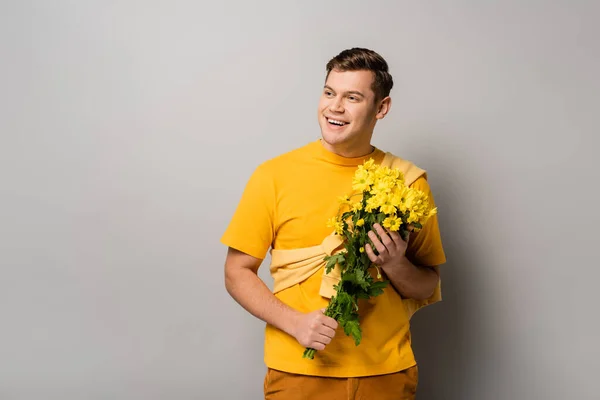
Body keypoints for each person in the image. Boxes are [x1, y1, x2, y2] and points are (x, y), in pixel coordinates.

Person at [221, 47, 446, 399]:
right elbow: (237, 272)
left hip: (386, 373)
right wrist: (295, 323)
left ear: (381, 108)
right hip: (299, 371)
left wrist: (394, 263)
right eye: (329, 93)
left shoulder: (407, 181)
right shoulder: (274, 176)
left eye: (352, 97)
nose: (335, 107)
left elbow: (426, 285)